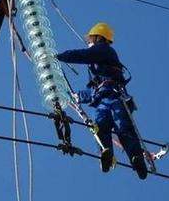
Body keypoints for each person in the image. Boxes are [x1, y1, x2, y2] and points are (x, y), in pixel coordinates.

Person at [56, 22, 148, 179]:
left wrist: (60, 57)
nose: (89, 42)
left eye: (90, 39)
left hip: (115, 97)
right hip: (102, 100)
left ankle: (137, 158)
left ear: (99, 37)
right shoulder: (97, 66)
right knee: (100, 127)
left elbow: (83, 55)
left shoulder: (105, 50)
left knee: (122, 126)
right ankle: (106, 153)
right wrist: (75, 95)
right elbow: (95, 91)